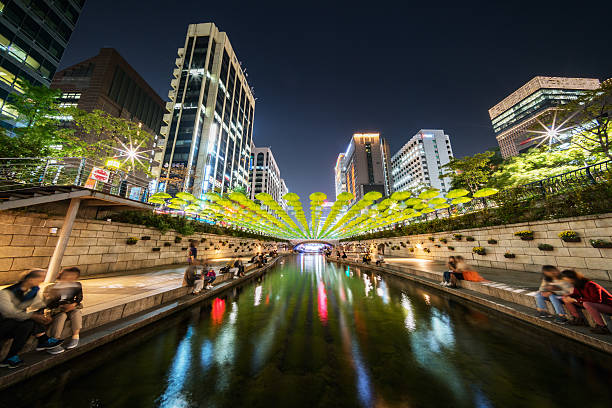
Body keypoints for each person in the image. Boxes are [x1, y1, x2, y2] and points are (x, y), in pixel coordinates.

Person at [0, 269, 64, 368]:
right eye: (40, 280)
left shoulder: (33, 291)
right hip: (3, 324)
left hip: (14, 323)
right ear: (30, 279)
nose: (41, 282)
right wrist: (33, 316)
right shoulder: (6, 292)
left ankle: (11, 357)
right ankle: (43, 339)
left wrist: (46, 314)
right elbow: (10, 313)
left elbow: (38, 305)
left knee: (28, 323)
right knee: (29, 319)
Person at [44, 267, 84, 350]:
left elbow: (79, 298)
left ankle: (75, 336)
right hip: (56, 309)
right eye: (68, 276)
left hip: (71, 306)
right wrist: (61, 306)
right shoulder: (52, 287)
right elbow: (48, 303)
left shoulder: (77, 285)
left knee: (76, 312)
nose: (70, 278)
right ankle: (54, 340)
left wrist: (73, 304)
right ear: (61, 275)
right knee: (62, 316)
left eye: (73, 276)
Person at [561, 270, 612, 334]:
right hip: (596, 305)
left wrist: (576, 300)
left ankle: (602, 327)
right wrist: (567, 296)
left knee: (586, 304)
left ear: (572, 278)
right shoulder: (577, 286)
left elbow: (597, 300)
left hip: (608, 305)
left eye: (566, 280)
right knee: (566, 298)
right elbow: (574, 295)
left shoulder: (591, 285)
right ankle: (578, 319)